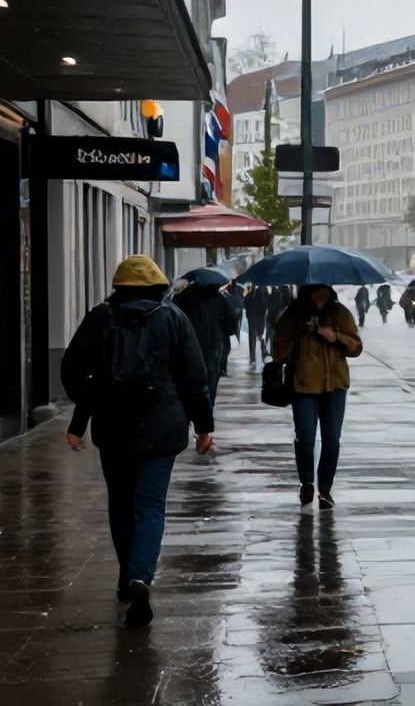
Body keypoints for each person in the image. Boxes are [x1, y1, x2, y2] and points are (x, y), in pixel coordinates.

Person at [61, 255, 215, 628]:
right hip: (163, 428)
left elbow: (74, 371)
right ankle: (140, 576)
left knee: (120, 504)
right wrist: (203, 425)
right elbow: (194, 376)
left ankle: (126, 574)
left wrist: (81, 420)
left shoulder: (101, 317)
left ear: (119, 286)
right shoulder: (173, 318)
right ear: (158, 284)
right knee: (150, 506)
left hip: (113, 428)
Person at [272, 285, 362, 509]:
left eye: (323, 291)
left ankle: (325, 489)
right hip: (303, 387)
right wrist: (298, 331)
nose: (319, 297)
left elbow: (356, 347)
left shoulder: (340, 313)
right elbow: (278, 352)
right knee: (305, 438)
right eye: (314, 292)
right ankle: (307, 483)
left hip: (335, 387)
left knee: (332, 440)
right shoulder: (292, 314)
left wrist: (334, 336)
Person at [172, 276, 236, 406]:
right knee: (211, 377)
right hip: (213, 345)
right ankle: (207, 408)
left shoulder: (182, 298)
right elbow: (231, 326)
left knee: (188, 377)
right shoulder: (220, 299)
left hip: (189, 344)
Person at [244, 284, 269, 365]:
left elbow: (245, 305)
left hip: (252, 319)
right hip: (260, 320)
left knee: (252, 338)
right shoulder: (263, 296)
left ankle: (253, 356)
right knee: (260, 336)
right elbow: (264, 307)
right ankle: (263, 353)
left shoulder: (249, 295)